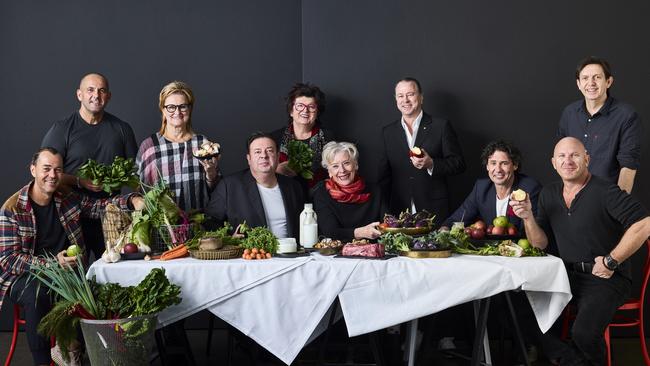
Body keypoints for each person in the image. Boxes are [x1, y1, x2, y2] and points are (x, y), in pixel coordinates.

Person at [510, 137, 650, 365]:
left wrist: (611, 261)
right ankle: (573, 361)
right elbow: (539, 244)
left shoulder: (605, 191)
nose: (568, 161)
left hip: (606, 278)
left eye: (575, 155)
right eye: (562, 156)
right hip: (565, 275)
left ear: (587, 159)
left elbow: (645, 223)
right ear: (554, 163)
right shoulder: (549, 193)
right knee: (516, 311)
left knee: (584, 334)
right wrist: (527, 217)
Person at [0, 148, 143, 366]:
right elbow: (9, 259)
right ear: (33, 170)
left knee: (94, 291)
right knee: (38, 296)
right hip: (25, 276)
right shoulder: (12, 208)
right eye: (46, 169)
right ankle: (43, 361)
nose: (52, 175)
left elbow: (99, 207)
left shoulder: (66, 197)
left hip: (66, 272)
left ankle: (71, 350)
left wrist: (132, 199)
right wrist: (51, 263)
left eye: (58, 170)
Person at [41, 73, 138, 261]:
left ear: (108, 96)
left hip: (111, 216)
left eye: (102, 91)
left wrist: (139, 207)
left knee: (114, 271)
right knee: (76, 275)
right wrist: (80, 181)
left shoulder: (122, 129)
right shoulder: (62, 129)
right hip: (71, 215)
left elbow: (136, 174)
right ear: (79, 95)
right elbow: (44, 174)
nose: (96, 95)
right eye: (90, 90)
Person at [378, 77, 465, 220]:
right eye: (400, 96)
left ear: (421, 97)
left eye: (410, 94)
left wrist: (432, 164)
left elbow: (459, 163)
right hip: (399, 210)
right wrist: (384, 212)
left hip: (434, 209)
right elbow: (383, 177)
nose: (405, 100)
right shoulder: (388, 132)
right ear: (396, 100)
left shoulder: (441, 126)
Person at [558, 56, 642, 194]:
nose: (591, 83)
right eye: (585, 78)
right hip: (573, 197)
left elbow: (628, 166)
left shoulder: (627, 116)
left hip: (607, 198)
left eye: (597, 77)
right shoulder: (569, 113)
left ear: (608, 82)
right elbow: (562, 157)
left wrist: (617, 206)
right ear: (578, 84)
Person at [136, 81, 221, 211]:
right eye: (171, 107)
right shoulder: (149, 146)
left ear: (190, 109)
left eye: (182, 106)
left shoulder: (202, 144)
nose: (177, 112)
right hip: (162, 226)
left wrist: (211, 174)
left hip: (198, 224)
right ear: (163, 110)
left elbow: (217, 190)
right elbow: (138, 188)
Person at [205, 132, 304, 239]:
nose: (264, 156)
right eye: (257, 152)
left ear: (278, 156)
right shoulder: (229, 186)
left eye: (270, 151)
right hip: (248, 254)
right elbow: (210, 222)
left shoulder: (293, 187)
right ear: (249, 159)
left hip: (290, 253)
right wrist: (229, 239)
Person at [442, 140, 542, 231]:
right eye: (493, 163)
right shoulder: (481, 188)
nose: (498, 169)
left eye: (504, 163)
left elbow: (536, 233)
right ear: (487, 166)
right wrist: (444, 230)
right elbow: (457, 219)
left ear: (515, 165)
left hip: (520, 249)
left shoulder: (530, 189)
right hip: (491, 249)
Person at [313, 141, 386, 242]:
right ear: (329, 171)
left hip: (372, 251)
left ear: (355, 165)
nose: (342, 170)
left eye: (346, 163)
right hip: (336, 253)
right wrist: (360, 233)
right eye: (335, 166)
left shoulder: (375, 191)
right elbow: (330, 232)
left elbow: (386, 226)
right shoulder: (322, 193)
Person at [271, 83, 334, 199]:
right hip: (283, 198)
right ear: (291, 111)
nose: (305, 111)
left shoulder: (329, 137)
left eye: (311, 106)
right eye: (300, 106)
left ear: (317, 112)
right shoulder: (274, 138)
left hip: (321, 198)